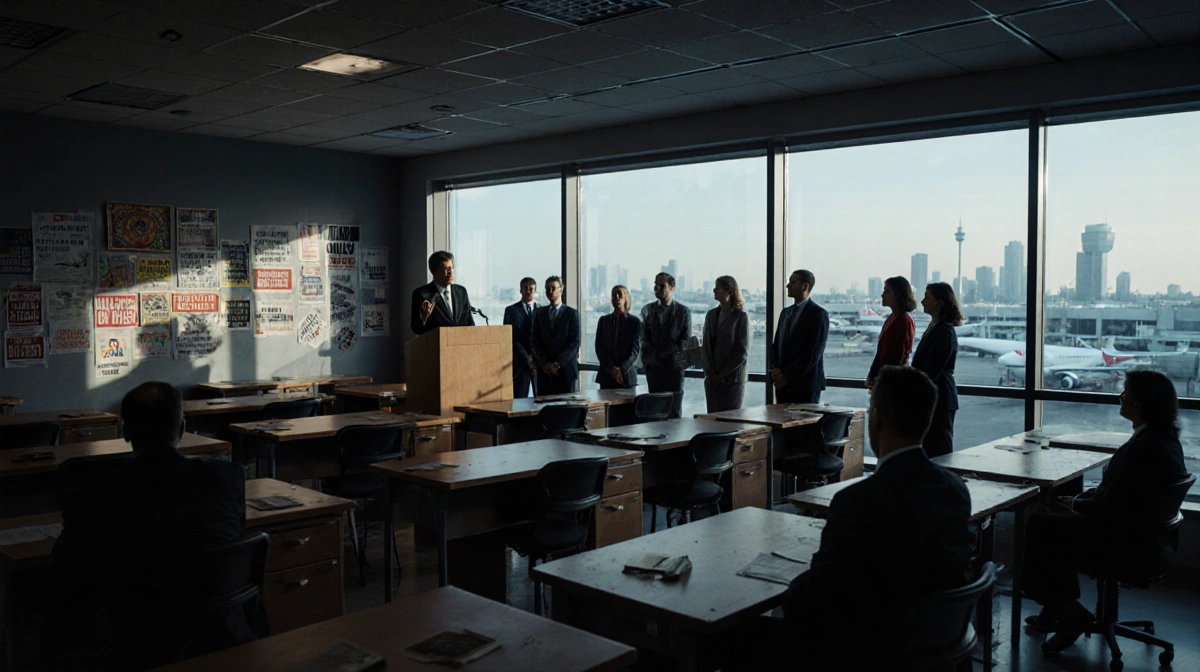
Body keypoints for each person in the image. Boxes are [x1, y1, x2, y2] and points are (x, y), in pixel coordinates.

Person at [727, 366, 973, 671]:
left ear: (877, 419)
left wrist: (789, 592)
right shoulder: (955, 492)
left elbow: (814, 597)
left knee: (738, 637)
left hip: (864, 649)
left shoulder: (857, 502)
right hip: (925, 648)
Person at [51, 381, 251, 668]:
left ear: (126, 432)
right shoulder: (228, 480)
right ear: (182, 429)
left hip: (139, 645)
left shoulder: (97, 492)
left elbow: (67, 564)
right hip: (222, 637)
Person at [1023, 370, 1189, 654]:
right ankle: (1057, 611)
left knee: (1040, 525)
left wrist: (1076, 504)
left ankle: (1069, 612)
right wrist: (1080, 501)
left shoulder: (1144, 447)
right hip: (1145, 539)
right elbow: (1125, 495)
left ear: (1138, 403)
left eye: (1125, 392)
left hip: (1123, 544)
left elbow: (1112, 506)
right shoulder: (1162, 440)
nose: (1120, 397)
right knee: (1053, 518)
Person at [910, 282, 960, 457]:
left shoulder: (944, 331)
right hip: (934, 397)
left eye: (927, 297)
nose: (922, 301)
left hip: (939, 399)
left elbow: (930, 370)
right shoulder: (936, 328)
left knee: (939, 451)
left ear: (939, 302)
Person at [770, 269, 829, 404]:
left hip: (804, 386)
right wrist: (775, 370)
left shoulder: (818, 314)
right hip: (782, 386)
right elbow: (776, 346)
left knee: (803, 425)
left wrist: (785, 376)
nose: (787, 286)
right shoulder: (785, 313)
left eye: (792, 282)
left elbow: (813, 353)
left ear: (805, 286)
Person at [641, 272, 691, 418]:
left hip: (673, 369)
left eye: (662, 286)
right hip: (654, 369)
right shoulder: (648, 310)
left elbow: (684, 341)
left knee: (673, 412)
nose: (657, 288)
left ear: (672, 287)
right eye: (655, 285)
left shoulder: (682, 312)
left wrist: (674, 360)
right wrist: (648, 363)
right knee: (655, 412)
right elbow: (644, 339)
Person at [702, 275, 751, 412]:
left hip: (732, 381)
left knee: (729, 422)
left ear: (728, 290)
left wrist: (721, 375)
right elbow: (705, 346)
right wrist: (710, 372)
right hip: (711, 380)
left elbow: (741, 352)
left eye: (717, 288)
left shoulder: (741, 317)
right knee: (712, 421)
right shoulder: (711, 315)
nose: (714, 291)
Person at [531, 276, 580, 395]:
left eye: (553, 288)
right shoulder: (539, 313)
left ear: (561, 290)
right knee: (544, 409)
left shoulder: (572, 313)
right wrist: (544, 364)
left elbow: (574, 343)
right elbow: (534, 341)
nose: (550, 291)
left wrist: (557, 364)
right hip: (545, 372)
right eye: (547, 288)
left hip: (565, 371)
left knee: (565, 410)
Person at [865, 275, 917, 389]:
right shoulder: (892, 318)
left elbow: (897, 356)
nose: (882, 294)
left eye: (887, 291)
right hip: (887, 378)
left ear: (898, 295)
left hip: (893, 381)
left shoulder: (903, 320)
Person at [410, 250, 474, 335]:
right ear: (434, 272)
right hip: (436, 346)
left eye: (451, 268)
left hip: (460, 345)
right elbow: (416, 328)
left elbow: (470, 324)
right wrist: (423, 318)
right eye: (446, 269)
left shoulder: (461, 292)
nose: (450, 272)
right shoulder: (422, 294)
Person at [595, 285, 641, 390]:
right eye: (614, 295)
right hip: (606, 375)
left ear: (626, 297)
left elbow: (635, 351)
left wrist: (620, 370)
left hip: (627, 376)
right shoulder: (603, 321)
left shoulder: (634, 322)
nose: (617, 297)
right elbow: (599, 348)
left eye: (619, 294)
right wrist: (611, 368)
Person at [503, 277, 539, 398]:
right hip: (519, 363)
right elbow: (510, 337)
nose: (528, 291)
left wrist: (535, 357)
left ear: (535, 290)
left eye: (531, 288)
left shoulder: (542, 311)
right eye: (525, 288)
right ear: (520, 290)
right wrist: (526, 358)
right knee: (519, 399)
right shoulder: (511, 311)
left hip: (538, 363)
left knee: (541, 400)